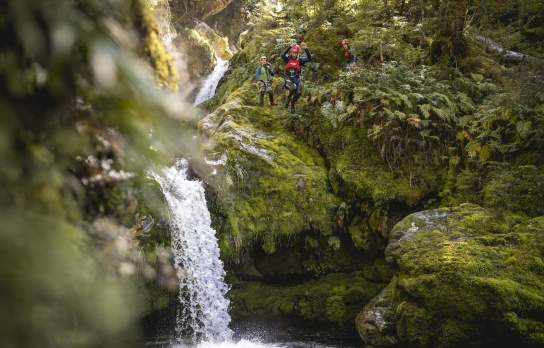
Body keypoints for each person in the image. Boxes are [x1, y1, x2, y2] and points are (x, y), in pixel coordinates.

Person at [282, 42, 312, 113]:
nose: (294, 54)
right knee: (293, 87)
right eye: (292, 52)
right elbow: (282, 55)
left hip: (296, 79)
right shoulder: (287, 58)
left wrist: (306, 49)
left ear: (298, 53)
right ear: (291, 52)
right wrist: (289, 47)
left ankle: (292, 103)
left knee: (298, 92)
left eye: (295, 53)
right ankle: (288, 99)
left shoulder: (300, 60)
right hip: (288, 78)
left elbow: (309, 58)